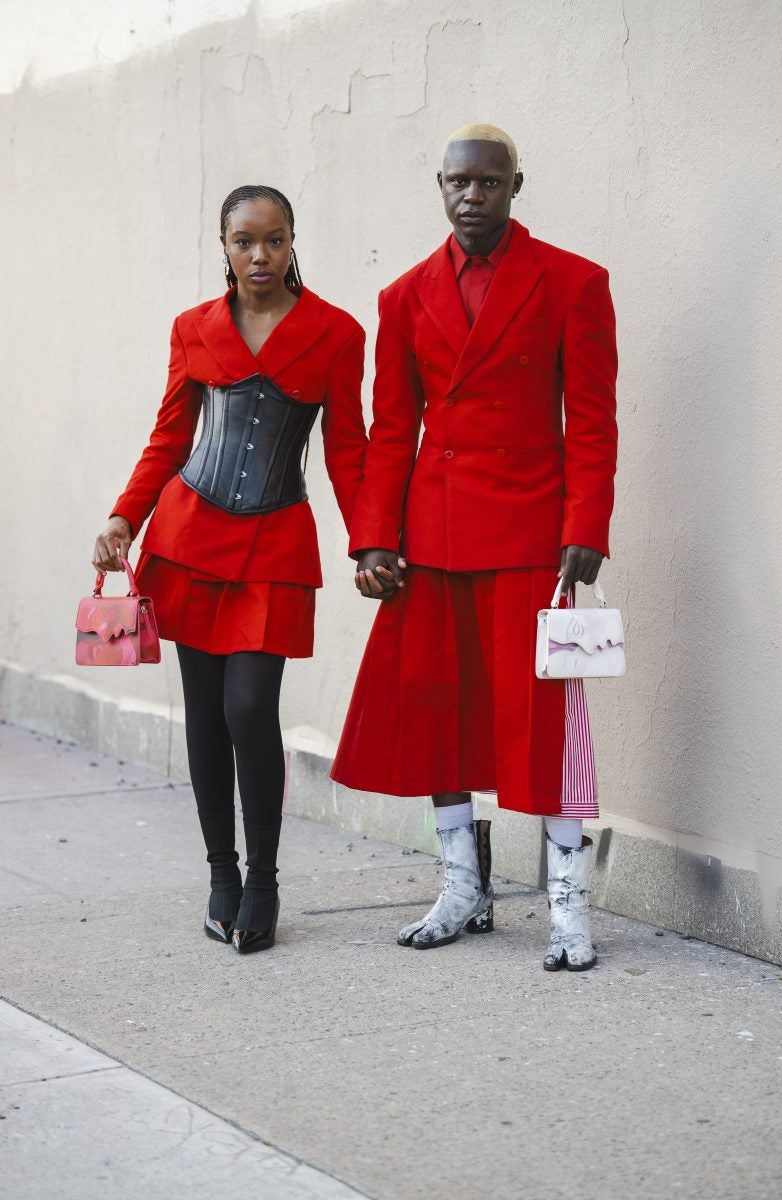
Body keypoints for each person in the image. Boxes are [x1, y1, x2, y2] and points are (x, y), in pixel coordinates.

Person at [331, 125, 618, 970]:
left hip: (535, 535)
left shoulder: (573, 282)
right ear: (440, 185)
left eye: (489, 183)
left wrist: (586, 527)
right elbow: (392, 432)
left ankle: (568, 904)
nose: (472, 197)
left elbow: (593, 422)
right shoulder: (404, 295)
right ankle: (463, 886)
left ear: (516, 186)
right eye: (459, 183)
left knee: (543, 719)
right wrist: (373, 538)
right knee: (436, 712)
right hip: (435, 535)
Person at [93, 185, 367, 954]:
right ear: (224, 244)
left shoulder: (336, 333)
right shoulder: (194, 328)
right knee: (209, 712)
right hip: (187, 542)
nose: (259, 254)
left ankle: (267, 878)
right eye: (244, 240)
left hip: (275, 543)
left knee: (251, 707)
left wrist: (371, 541)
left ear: (292, 243)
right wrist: (124, 515)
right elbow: (170, 434)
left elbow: (350, 448)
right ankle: (222, 875)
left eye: (273, 240)